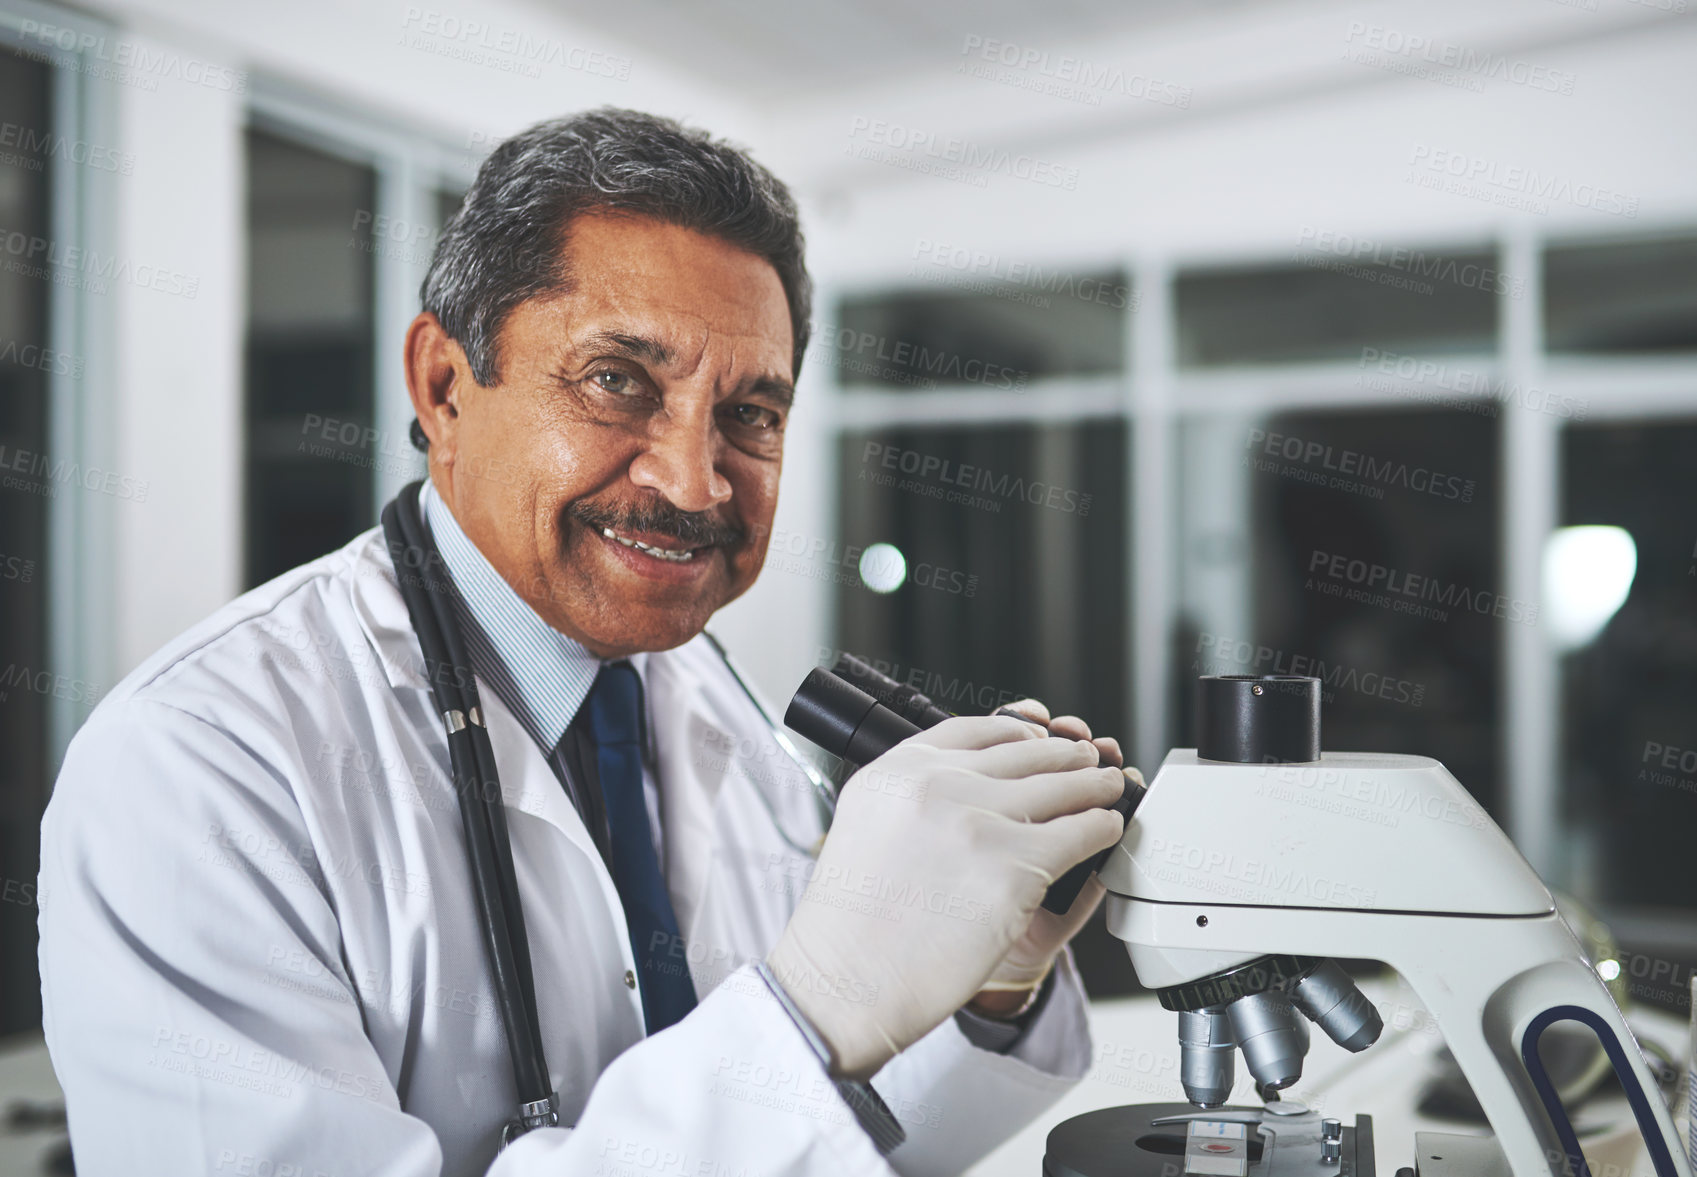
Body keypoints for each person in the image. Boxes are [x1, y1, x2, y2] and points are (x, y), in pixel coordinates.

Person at [38, 108, 1131, 1176]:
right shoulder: (200, 765)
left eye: (750, 412)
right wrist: (818, 1005)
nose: (694, 481)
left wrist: (989, 984)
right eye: (618, 382)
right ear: (443, 385)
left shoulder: (711, 703)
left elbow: (821, 1139)